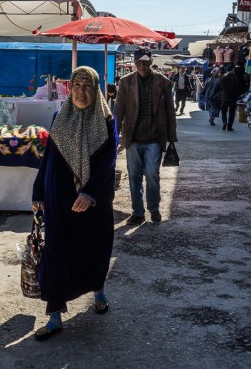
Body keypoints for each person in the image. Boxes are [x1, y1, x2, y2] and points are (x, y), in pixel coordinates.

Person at [31, 66, 118, 341]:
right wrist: (38, 193)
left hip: (92, 203)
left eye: (88, 86)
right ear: (71, 89)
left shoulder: (106, 120)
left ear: (96, 90)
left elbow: (108, 163)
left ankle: (99, 291)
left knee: (95, 248)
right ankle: (55, 316)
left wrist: (89, 193)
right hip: (60, 198)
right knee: (57, 252)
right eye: (77, 86)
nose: (81, 92)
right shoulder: (60, 117)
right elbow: (49, 160)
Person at [114, 46, 177, 225]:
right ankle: (138, 212)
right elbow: (118, 110)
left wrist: (171, 138)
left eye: (146, 62)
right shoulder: (126, 82)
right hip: (132, 138)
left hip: (154, 139)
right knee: (134, 177)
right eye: (139, 62)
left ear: (151, 62)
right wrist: (115, 136)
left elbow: (170, 112)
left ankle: (154, 208)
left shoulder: (163, 82)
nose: (143, 65)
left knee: (152, 174)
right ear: (134, 63)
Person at [219, 65, 244, 131]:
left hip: (224, 97)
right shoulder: (236, 79)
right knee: (232, 112)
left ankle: (224, 122)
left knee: (223, 111)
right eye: (234, 69)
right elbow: (238, 89)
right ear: (232, 70)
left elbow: (220, 87)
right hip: (233, 98)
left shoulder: (223, 78)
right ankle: (229, 126)